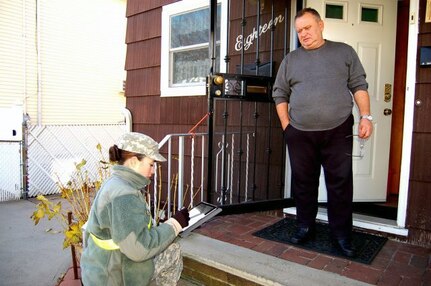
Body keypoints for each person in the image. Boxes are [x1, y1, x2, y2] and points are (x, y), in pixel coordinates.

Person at [272, 8, 373, 257]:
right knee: (304, 183)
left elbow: (359, 84)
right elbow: (279, 93)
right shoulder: (291, 60)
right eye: (299, 31)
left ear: (320, 25)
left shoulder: (343, 52)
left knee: (340, 184)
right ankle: (305, 226)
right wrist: (287, 126)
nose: (303, 34)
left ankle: (341, 235)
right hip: (300, 133)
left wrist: (366, 117)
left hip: (338, 130)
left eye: (307, 28)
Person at [81, 132, 190, 285]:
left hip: (104, 270)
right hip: (113, 278)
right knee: (173, 252)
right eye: (151, 164)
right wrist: (174, 225)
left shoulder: (117, 183)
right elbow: (139, 249)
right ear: (133, 161)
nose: (153, 171)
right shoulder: (124, 195)